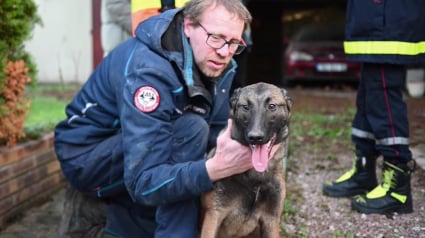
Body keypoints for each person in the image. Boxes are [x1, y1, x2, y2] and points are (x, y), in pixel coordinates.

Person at [54, 0, 253, 237]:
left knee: (193, 133)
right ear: (188, 25)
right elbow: (144, 182)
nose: (224, 52)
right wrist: (212, 169)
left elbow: (215, 137)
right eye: (216, 37)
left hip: (138, 145)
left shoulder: (220, 64)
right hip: (87, 157)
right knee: (190, 128)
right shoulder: (149, 71)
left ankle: (124, 225)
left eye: (233, 42)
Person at [322, 0, 425, 214]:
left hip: (388, 18)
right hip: (372, 18)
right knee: (368, 96)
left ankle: (397, 186)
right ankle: (364, 171)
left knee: (383, 97)